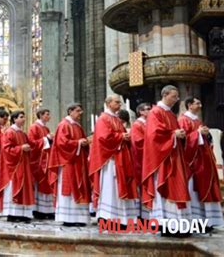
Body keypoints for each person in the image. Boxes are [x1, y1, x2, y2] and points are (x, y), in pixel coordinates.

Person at [142, 85, 191, 234]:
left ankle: (178, 224)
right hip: (163, 159)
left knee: (178, 186)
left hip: (175, 156)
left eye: (177, 97)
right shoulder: (155, 112)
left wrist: (180, 135)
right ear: (165, 95)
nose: (176, 100)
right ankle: (167, 225)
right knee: (166, 188)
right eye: (173, 96)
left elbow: (173, 131)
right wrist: (174, 135)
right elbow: (153, 134)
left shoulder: (170, 113)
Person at [89, 95, 138, 226]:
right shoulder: (103, 119)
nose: (120, 104)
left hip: (120, 157)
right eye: (117, 102)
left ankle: (121, 218)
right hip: (110, 160)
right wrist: (122, 136)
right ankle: (108, 217)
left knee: (118, 188)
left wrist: (125, 137)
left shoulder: (115, 118)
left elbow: (118, 136)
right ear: (109, 103)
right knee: (111, 188)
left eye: (120, 102)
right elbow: (103, 138)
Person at [179, 96, 223, 228]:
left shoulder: (197, 120)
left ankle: (206, 220)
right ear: (189, 105)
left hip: (204, 159)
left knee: (206, 188)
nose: (200, 106)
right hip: (193, 162)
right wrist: (198, 133)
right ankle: (196, 221)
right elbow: (183, 141)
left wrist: (205, 133)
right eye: (197, 103)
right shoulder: (183, 120)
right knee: (195, 190)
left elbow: (202, 139)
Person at [48, 103, 91, 226]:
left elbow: (80, 141)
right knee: (70, 188)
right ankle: (69, 218)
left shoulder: (77, 126)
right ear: (70, 111)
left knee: (80, 187)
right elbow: (62, 143)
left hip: (79, 162)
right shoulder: (64, 125)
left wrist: (85, 143)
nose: (80, 114)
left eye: (81, 111)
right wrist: (78, 143)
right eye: (78, 111)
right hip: (68, 162)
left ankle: (79, 218)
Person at [0, 111, 35, 222]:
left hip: (23, 164)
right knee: (14, 188)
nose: (24, 119)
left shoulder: (22, 134)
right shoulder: (9, 132)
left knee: (24, 188)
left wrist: (28, 148)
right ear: (14, 119)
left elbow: (29, 146)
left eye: (24, 117)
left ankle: (23, 213)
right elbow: (6, 150)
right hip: (13, 167)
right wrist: (21, 148)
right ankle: (12, 214)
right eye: (21, 117)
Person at [27, 108, 55, 219]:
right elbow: (32, 143)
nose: (49, 116)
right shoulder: (34, 127)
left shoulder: (46, 128)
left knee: (46, 184)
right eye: (47, 114)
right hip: (38, 161)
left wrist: (50, 139)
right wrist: (46, 139)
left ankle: (47, 209)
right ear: (41, 115)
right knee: (40, 184)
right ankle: (38, 210)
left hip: (46, 159)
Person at [130, 103, 151, 187]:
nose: (151, 111)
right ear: (141, 112)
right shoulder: (137, 125)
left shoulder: (149, 123)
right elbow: (138, 141)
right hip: (142, 156)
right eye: (148, 109)